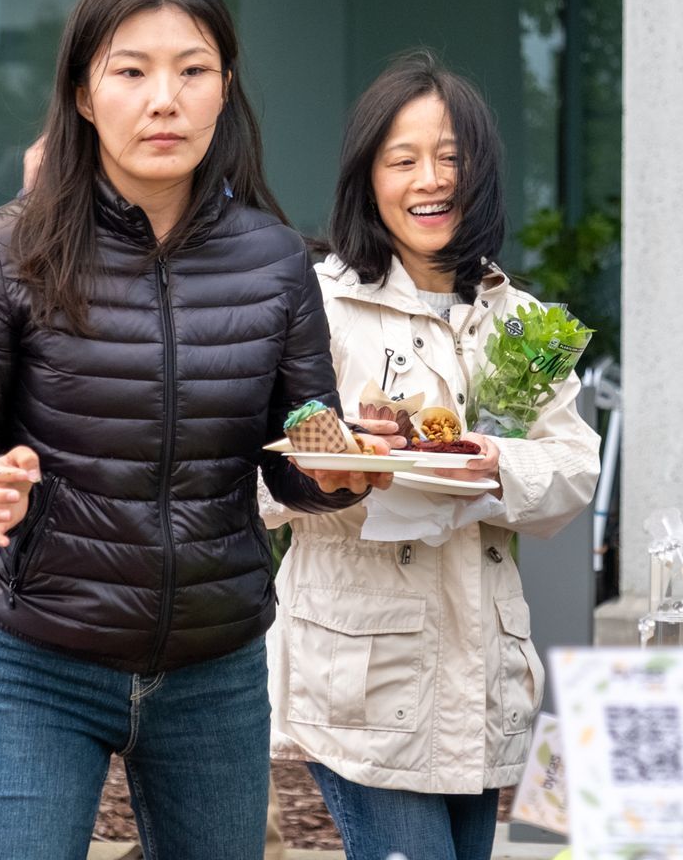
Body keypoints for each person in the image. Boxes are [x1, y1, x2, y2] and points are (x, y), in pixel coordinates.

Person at [0, 0, 392, 860]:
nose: (163, 99)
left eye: (192, 70)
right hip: (36, 663)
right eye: (131, 71)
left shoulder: (277, 261)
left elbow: (298, 448)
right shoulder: (4, 248)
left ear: (224, 91)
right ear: (85, 95)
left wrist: (337, 471)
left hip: (216, 669)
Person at [263, 52, 600, 860]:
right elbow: (249, 478)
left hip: (480, 676)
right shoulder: (317, 303)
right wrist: (336, 465)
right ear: (366, 177)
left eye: (451, 157)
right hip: (365, 677)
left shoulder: (518, 319)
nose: (430, 179)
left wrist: (493, 464)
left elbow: (574, 470)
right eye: (403, 158)